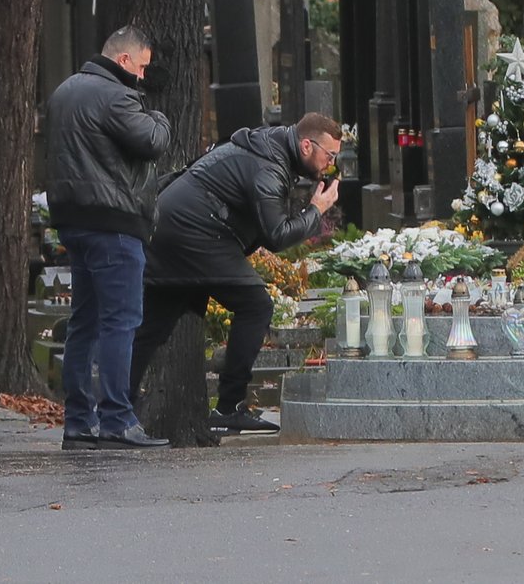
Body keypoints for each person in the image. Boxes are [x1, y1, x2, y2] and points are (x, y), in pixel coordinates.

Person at [130, 112, 342, 435]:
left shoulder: (270, 150)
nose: (332, 164)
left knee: (154, 326)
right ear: (306, 146)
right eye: (330, 155)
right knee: (256, 305)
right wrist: (316, 210)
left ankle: (114, 409)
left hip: (174, 227)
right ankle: (228, 407)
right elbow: (277, 235)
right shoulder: (269, 167)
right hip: (194, 231)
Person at [45, 25, 171, 450]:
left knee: (84, 322)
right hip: (114, 222)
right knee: (121, 321)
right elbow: (151, 141)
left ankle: (78, 422)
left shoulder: (64, 91)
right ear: (123, 61)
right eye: (141, 66)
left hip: (73, 220)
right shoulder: (116, 95)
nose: (142, 76)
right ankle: (118, 419)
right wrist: (161, 117)